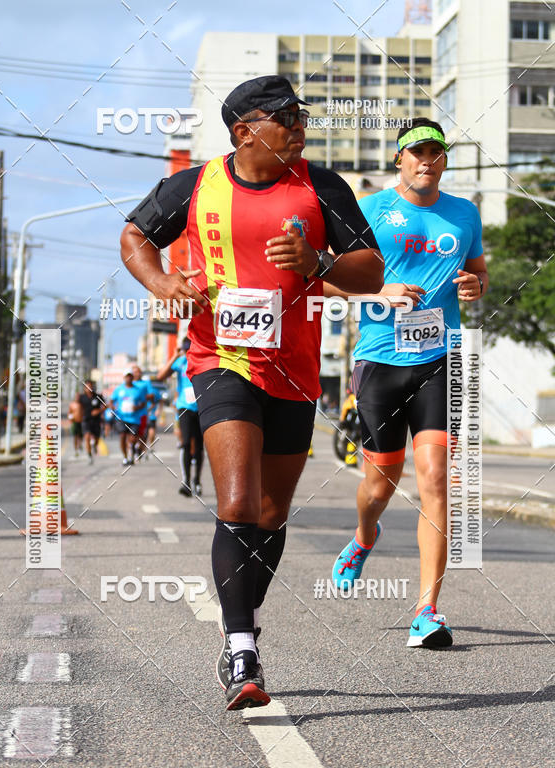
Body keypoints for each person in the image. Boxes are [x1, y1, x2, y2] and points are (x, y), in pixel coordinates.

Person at [121, 74, 383, 711]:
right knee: (238, 502)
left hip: (293, 370)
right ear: (245, 130)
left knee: (270, 515)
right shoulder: (195, 185)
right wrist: (162, 283)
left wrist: (319, 262)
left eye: (302, 117)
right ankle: (242, 649)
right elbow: (134, 236)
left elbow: (372, 272)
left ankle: (240, 615)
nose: (300, 128)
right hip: (221, 360)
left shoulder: (323, 188)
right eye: (286, 118)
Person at [330, 117, 488, 649]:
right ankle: (364, 535)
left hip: (441, 358)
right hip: (380, 360)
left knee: (437, 479)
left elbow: (479, 273)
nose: (427, 161)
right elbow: (326, 279)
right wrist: (379, 291)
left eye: (436, 153)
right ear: (399, 159)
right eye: (417, 153)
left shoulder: (465, 213)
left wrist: (475, 285)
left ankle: (427, 610)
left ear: (444, 160)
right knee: (380, 485)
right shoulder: (369, 209)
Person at [156, 338, 204, 497]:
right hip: (185, 407)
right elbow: (161, 376)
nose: (188, 352)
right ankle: (186, 482)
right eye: (186, 349)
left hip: (202, 407)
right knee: (186, 443)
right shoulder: (181, 362)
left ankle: (197, 480)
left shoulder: (202, 360)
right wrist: (174, 356)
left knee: (199, 446)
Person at [110, 369, 147, 466]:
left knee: (133, 439)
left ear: (132, 378)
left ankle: (132, 452)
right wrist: (113, 408)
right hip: (121, 418)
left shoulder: (138, 390)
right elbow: (111, 401)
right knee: (122, 436)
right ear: (124, 378)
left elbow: (143, 403)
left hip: (134, 418)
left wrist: (137, 407)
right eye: (127, 376)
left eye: (130, 376)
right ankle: (125, 457)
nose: (129, 378)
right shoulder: (119, 389)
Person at [79, 379, 105, 464]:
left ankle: (94, 446)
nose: (89, 388)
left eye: (91, 386)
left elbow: (105, 406)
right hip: (86, 420)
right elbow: (78, 407)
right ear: (84, 388)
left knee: (97, 439)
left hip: (96, 420)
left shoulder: (98, 396)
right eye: (87, 386)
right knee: (87, 437)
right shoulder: (81, 397)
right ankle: (89, 455)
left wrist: (99, 411)